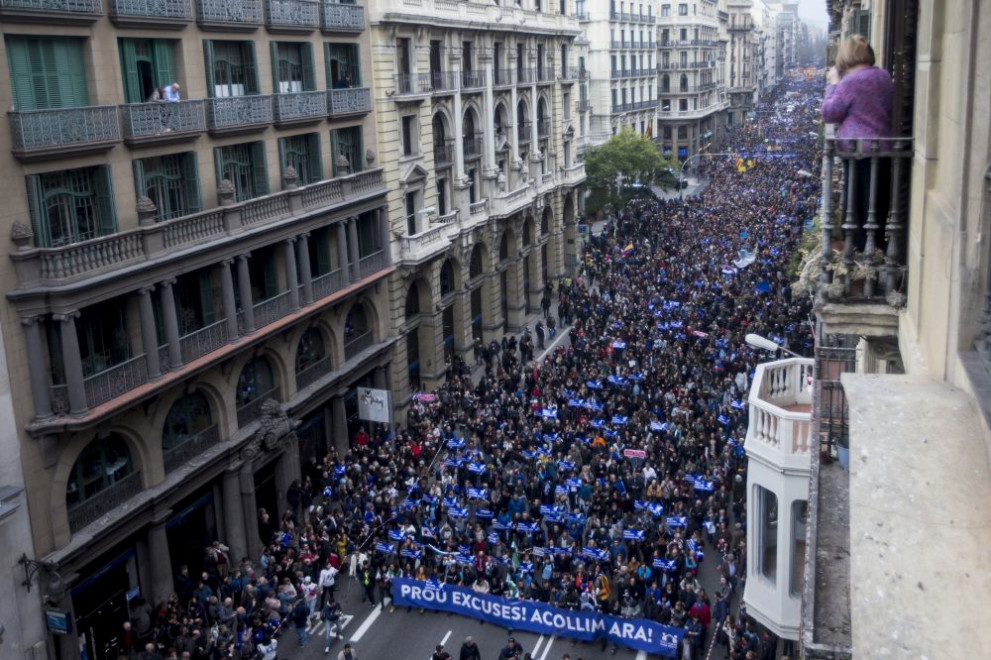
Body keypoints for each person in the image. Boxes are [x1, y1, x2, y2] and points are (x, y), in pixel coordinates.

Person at [821, 35, 894, 251]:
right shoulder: (883, 76)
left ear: (845, 59)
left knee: (855, 208)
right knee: (876, 206)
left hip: (858, 153)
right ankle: (875, 247)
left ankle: (859, 251)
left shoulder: (850, 82)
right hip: (884, 151)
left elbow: (829, 113)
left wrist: (833, 84)